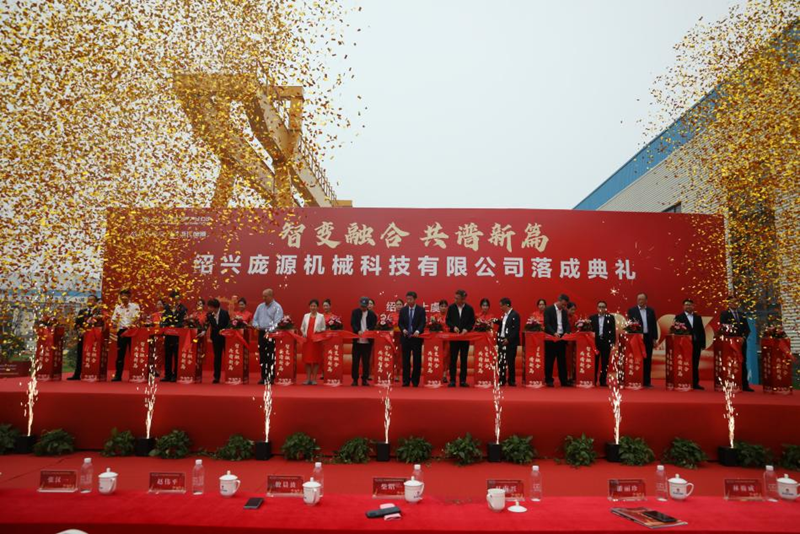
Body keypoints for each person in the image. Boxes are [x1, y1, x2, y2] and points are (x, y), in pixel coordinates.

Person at [720, 295, 754, 392]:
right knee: (730, 363)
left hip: (741, 343)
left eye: (736, 301)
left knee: (742, 361)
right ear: (728, 303)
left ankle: (745, 385)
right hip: (730, 343)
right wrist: (734, 338)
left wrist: (743, 338)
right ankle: (731, 383)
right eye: (733, 301)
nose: (735, 303)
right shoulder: (724, 314)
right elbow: (724, 327)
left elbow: (747, 329)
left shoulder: (742, 314)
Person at [252, 288, 284, 385]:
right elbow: (254, 319)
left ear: (271, 296)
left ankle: (271, 377)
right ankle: (263, 377)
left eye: (265, 296)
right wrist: (256, 325)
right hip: (261, 333)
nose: (263, 298)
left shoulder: (277, 307)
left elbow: (277, 322)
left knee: (270, 356)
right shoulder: (260, 306)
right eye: (263, 296)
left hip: (271, 334)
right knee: (262, 355)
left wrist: (269, 330)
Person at [674, 298, 706, 390]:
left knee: (695, 363)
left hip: (696, 344)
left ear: (693, 306)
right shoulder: (679, 317)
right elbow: (676, 331)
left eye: (690, 305)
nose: (688, 306)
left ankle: (695, 383)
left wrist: (702, 344)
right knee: (685, 363)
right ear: (683, 306)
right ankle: (685, 381)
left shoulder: (698, 317)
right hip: (684, 345)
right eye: (686, 305)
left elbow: (701, 331)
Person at [446, 289, 475, 387]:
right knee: (453, 359)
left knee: (464, 359)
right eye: (455, 298)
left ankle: (463, 380)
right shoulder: (451, 308)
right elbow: (448, 321)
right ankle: (452, 380)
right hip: (454, 337)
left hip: (465, 338)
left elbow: (472, 322)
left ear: (463, 299)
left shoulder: (469, 309)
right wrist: (453, 327)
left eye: (457, 298)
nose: (455, 300)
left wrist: (466, 329)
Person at [68, 295, 101, 380]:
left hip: (94, 337)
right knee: (80, 354)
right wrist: (79, 330)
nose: (90, 301)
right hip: (82, 336)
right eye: (88, 299)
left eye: (92, 300)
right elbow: (77, 323)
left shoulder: (99, 312)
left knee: (93, 355)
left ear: (96, 302)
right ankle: (77, 374)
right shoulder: (82, 311)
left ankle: (92, 373)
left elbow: (101, 324)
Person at [110, 289, 141, 382]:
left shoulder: (135, 306)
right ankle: (118, 375)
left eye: (125, 296)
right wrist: (114, 323)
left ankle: (135, 374)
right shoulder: (118, 307)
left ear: (129, 297)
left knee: (134, 353)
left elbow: (137, 318)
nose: (123, 298)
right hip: (122, 332)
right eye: (122, 296)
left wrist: (131, 326)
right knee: (120, 354)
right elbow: (114, 319)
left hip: (132, 332)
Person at [627, 293, 658, 388]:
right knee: (637, 359)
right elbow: (630, 325)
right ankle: (637, 379)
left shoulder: (651, 311)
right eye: (638, 299)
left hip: (648, 337)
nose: (640, 301)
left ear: (646, 300)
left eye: (642, 299)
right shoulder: (632, 310)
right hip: (637, 338)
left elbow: (654, 325)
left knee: (647, 359)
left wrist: (654, 339)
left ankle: (646, 381)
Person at [543, 293, 572, 387]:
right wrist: (553, 333)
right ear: (558, 301)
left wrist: (567, 332)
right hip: (551, 339)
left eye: (565, 305)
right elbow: (547, 324)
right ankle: (549, 380)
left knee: (562, 361)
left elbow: (567, 324)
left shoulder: (564, 311)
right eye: (563, 304)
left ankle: (563, 381)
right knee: (549, 360)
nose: (564, 307)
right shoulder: (548, 309)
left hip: (562, 339)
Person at [399, 291, 426, 387]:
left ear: (415, 299)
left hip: (416, 338)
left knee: (417, 360)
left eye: (410, 299)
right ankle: (406, 380)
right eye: (407, 299)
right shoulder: (403, 310)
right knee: (405, 360)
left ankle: (415, 381)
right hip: (405, 338)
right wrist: (403, 329)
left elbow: (423, 322)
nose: (408, 301)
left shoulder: (421, 310)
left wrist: (418, 331)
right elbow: (400, 323)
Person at [161, 290, 187, 382]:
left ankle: (175, 374)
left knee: (176, 355)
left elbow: (182, 321)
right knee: (168, 355)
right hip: (168, 334)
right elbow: (163, 318)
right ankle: (167, 375)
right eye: (173, 298)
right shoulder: (167, 307)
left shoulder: (183, 308)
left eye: (177, 298)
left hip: (177, 335)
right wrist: (164, 325)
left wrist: (175, 327)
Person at [350, 297, 377, 386]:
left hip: (367, 342)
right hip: (357, 341)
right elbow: (353, 323)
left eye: (365, 306)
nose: (363, 308)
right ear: (359, 304)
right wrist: (357, 330)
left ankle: (364, 379)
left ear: (367, 305)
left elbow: (374, 325)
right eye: (362, 306)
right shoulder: (355, 312)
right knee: (355, 361)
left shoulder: (372, 315)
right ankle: (355, 379)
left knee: (366, 362)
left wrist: (368, 331)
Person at [590, 300, 616, 386]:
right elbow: (589, 331)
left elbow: (613, 331)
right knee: (595, 362)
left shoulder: (610, 317)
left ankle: (603, 380)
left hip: (606, 343)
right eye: (600, 307)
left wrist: (612, 342)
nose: (601, 308)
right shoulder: (592, 318)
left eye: (603, 307)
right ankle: (593, 380)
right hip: (595, 343)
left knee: (605, 363)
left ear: (606, 308)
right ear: (597, 308)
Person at [300, 299, 326, 385]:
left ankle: (314, 379)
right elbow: (302, 327)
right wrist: (303, 333)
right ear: (309, 307)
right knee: (307, 360)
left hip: (316, 341)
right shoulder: (306, 316)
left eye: (314, 306)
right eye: (311, 306)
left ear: (318, 307)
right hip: (307, 341)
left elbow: (324, 328)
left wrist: (319, 331)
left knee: (315, 360)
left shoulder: (321, 316)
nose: (313, 307)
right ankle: (308, 379)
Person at [206, 298, 230, 383]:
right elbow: (206, 325)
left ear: (215, 307)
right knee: (217, 357)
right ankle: (216, 377)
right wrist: (203, 332)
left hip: (225, 338)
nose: (208, 308)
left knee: (228, 357)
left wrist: (224, 330)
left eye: (210, 307)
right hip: (215, 338)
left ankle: (230, 375)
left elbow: (229, 324)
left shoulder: (225, 313)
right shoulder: (209, 315)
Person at [497, 297, 520, 386]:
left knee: (510, 362)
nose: (500, 308)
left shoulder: (515, 315)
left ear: (506, 305)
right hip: (502, 340)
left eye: (501, 306)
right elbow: (504, 326)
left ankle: (511, 380)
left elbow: (516, 330)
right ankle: (502, 379)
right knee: (501, 361)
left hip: (511, 342)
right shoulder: (505, 315)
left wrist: (509, 339)